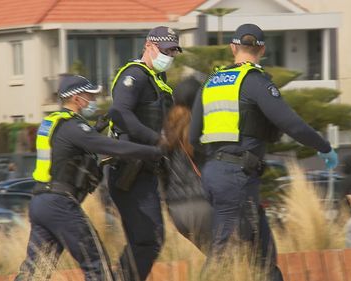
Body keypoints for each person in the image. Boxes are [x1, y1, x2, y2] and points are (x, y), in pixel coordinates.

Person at [189, 23, 338, 280]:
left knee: (263, 255)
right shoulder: (255, 82)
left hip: (217, 173)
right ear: (263, 49)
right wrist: (324, 147)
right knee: (222, 253)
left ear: (232, 48)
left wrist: (215, 166)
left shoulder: (210, 82)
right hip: (236, 177)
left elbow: (193, 136)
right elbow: (291, 124)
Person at [15, 74, 163, 281]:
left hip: (40, 203)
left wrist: (96, 128)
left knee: (35, 271)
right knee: (97, 266)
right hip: (61, 206)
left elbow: (66, 154)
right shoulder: (73, 127)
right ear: (77, 98)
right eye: (90, 96)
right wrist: (152, 151)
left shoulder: (53, 123)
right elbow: (111, 146)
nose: (93, 100)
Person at [107, 26, 181, 281]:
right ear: (149, 46)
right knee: (149, 239)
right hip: (129, 171)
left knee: (146, 240)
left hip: (147, 171)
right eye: (165, 50)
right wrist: (156, 140)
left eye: (173, 51)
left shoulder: (158, 80)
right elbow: (120, 112)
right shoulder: (134, 75)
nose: (169, 55)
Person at [162, 76, 213, 253]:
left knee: (215, 257)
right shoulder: (203, 127)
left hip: (176, 210)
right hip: (203, 203)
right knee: (229, 256)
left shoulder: (166, 129)